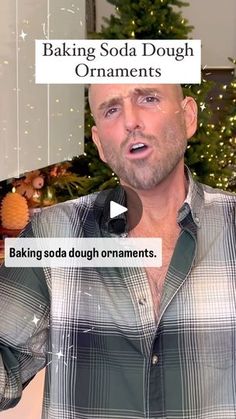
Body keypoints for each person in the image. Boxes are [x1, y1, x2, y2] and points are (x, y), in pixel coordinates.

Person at [0, 83, 235, 419]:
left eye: (149, 99)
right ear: (101, 145)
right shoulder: (52, 236)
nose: (131, 121)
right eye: (112, 110)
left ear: (188, 117)